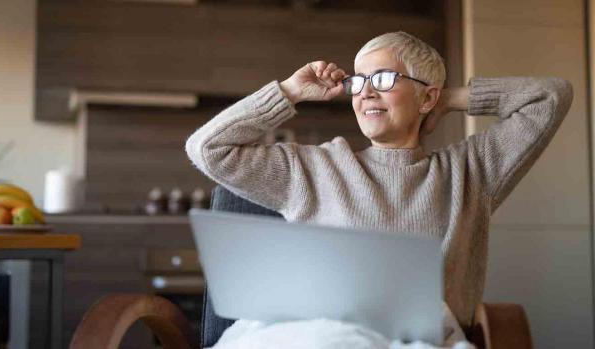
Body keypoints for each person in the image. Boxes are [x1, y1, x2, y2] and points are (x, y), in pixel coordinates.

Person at [185, 31, 573, 348]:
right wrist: (289, 92)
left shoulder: (472, 171)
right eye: (358, 81)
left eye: (384, 79)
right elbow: (208, 149)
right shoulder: (314, 167)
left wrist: (452, 99)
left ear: (427, 96)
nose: (366, 92)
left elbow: (550, 96)